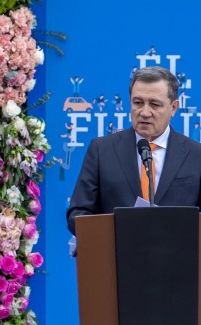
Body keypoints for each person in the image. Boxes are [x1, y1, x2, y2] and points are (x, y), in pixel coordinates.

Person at [67, 66, 201, 234]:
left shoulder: (196, 155)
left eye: (155, 104)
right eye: (138, 103)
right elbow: (78, 213)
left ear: (173, 108)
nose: (145, 112)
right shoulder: (102, 150)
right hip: (116, 257)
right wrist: (117, 232)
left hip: (177, 257)